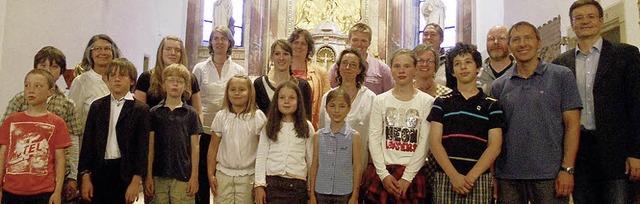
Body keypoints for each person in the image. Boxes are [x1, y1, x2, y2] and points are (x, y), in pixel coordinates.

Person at [552, 1, 640, 203]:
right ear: (572, 24)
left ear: (601, 21)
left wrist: (636, 153)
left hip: (616, 152)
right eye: (578, 18)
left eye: (591, 17)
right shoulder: (560, 63)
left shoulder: (626, 55)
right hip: (579, 150)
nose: (585, 22)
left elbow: (636, 106)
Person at [491, 21, 582, 204]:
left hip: (550, 175)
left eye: (528, 38)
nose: (522, 43)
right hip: (509, 176)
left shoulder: (561, 76)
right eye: (516, 39)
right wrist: (494, 175)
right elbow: (494, 134)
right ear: (509, 46)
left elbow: (572, 125)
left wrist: (568, 169)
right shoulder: (499, 86)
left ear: (538, 42)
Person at [1, 46, 82, 202]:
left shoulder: (67, 104)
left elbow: (73, 143)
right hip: (18, 176)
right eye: (43, 65)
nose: (49, 70)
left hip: (51, 177)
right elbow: (5, 142)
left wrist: (72, 176)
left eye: (54, 66)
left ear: (61, 70)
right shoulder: (19, 99)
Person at [427, 43, 505, 203]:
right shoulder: (441, 102)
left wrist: (471, 177)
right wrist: (454, 176)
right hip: (446, 176)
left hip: (478, 178)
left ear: (478, 67)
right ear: (452, 71)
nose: (463, 67)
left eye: (468, 62)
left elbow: (495, 145)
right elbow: (435, 143)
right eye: (457, 63)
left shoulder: (491, 105)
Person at [366, 49, 434, 203]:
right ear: (391, 70)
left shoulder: (427, 101)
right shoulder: (380, 100)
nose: (401, 70)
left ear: (415, 70)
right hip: (385, 171)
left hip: (413, 172)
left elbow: (424, 142)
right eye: (397, 66)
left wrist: (407, 177)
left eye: (407, 66)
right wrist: (383, 175)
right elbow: (374, 138)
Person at [78, 58, 149, 204]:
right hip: (99, 171)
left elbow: (142, 149)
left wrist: (136, 181)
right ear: (107, 80)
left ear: (132, 81)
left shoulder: (140, 110)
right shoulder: (97, 107)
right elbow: (87, 144)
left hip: (123, 172)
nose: (117, 79)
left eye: (122, 75)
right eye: (112, 75)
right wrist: (85, 177)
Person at [193, 26, 246, 204]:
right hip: (205, 130)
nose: (219, 42)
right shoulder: (200, 69)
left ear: (229, 42)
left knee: (221, 179)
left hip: (229, 131)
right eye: (215, 38)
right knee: (202, 176)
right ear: (211, 42)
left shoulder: (238, 69)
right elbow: (193, 98)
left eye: (223, 38)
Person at [144, 64, 203, 203]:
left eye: (180, 81)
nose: (175, 84)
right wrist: (148, 175)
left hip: (183, 175)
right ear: (164, 85)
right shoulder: (154, 113)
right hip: (159, 175)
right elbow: (150, 147)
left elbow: (195, 147)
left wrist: (194, 176)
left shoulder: (191, 114)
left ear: (186, 87)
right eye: (171, 80)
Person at [207, 75, 266, 203]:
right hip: (223, 175)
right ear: (227, 92)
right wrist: (211, 174)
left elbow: (263, 151)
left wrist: (259, 180)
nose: (237, 93)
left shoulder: (257, 116)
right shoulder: (221, 116)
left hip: (248, 177)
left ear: (250, 92)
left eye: (242, 90)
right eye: (232, 89)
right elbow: (213, 147)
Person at [254, 81, 315, 204]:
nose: (286, 101)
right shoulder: (269, 126)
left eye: (291, 98)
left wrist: (311, 189)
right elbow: (261, 157)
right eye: (282, 98)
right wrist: (259, 185)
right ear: (276, 101)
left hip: (297, 186)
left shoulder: (307, 127)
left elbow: (311, 160)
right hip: (272, 184)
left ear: (299, 101)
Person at [310, 88, 363, 204]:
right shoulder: (318, 135)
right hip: (321, 191)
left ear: (349, 108)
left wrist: (355, 195)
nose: (337, 110)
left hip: (344, 193)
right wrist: (312, 194)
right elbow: (314, 165)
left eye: (342, 106)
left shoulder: (354, 136)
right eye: (332, 106)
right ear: (326, 108)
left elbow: (357, 167)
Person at [69, 34, 123, 135]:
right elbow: (73, 119)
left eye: (107, 48)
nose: (103, 52)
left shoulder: (121, 80)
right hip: (90, 142)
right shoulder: (81, 82)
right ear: (90, 53)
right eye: (97, 49)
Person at [328, 23, 394, 95]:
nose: (359, 44)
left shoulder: (382, 69)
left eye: (363, 41)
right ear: (349, 41)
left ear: (369, 43)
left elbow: (389, 95)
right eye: (355, 40)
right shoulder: (336, 68)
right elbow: (330, 94)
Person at [254, 40, 312, 119]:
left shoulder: (302, 86)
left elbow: (306, 119)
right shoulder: (259, 84)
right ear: (271, 57)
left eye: (286, 54)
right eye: (277, 54)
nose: (281, 58)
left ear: (291, 58)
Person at [289, 28, 330, 128]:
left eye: (303, 43)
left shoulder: (320, 73)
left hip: (311, 124)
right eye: (296, 42)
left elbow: (327, 102)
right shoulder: (279, 69)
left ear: (309, 48)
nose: (299, 46)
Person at [477, 25, 514, 95]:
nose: (496, 42)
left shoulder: (520, 72)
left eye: (502, 38)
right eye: (491, 39)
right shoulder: (476, 75)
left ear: (510, 43)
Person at [422, 23, 448, 88]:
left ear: (441, 39)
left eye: (433, 35)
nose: (428, 37)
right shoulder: (415, 59)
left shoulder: (449, 60)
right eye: (425, 34)